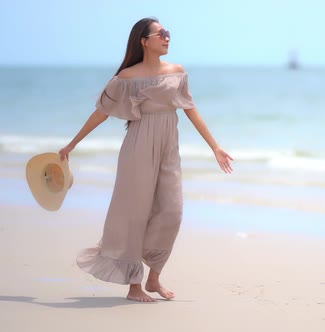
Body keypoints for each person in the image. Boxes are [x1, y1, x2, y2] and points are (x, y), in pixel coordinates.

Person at [58, 17, 233, 302]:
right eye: (161, 33)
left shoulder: (177, 72)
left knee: (172, 211)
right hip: (138, 147)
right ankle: (134, 286)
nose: (167, 37)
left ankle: (154, 279)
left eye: (168, 33)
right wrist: (72, 144)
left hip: (168, 147)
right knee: (134, 214)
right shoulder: (127, 77)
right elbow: (102, 112)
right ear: (144, 40)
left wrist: (215, 147)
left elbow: (191, 110)